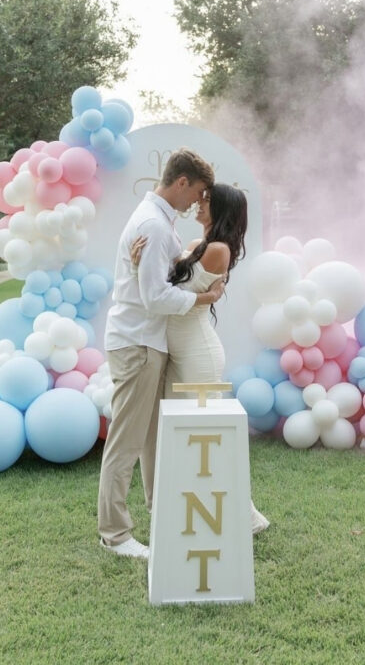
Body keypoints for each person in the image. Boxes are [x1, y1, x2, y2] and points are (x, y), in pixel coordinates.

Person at [97, 148, 225, 560]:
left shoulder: (158, 223)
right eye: (197, 192)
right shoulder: (152, 225)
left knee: (152, 438)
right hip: (137, 342)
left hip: (147, 342)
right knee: (127, 441)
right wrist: (204, 298)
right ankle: (115, 534)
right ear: (182, 182)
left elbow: (153, 283)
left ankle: (159, 513)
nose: (198, 202)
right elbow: (154, 297)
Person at [130, 182, 270, 536]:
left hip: (197, 353)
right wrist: (140, 264)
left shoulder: (217, 250)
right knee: (177, 434)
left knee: (205, 434)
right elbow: (163, 284)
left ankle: (247, 516)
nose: (198, 204)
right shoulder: (197, 246)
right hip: (178, 352)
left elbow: (170, 290)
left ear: (221, 209)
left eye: (206, 201)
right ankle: (182, 507)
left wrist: (148, 268)